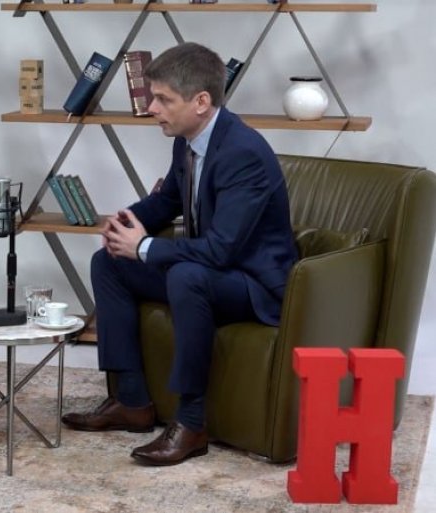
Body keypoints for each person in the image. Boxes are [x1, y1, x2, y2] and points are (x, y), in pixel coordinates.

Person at [61, 43, 298, 466]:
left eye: (163, 99)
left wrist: (144, 246)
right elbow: (169, 199)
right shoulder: (188, 141)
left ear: (201, 102)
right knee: (110, 262)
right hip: (213, 271)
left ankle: (191, 423)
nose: (152, 108)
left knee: (186, 275)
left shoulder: (243, 153)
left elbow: (222, 249)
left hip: (254, 285)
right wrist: (127, 222)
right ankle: (130, 401)